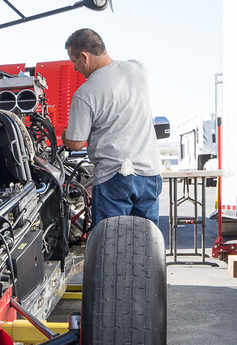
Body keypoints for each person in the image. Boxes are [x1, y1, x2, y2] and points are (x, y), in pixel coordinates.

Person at [61, 28, 163, 227]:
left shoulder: (85, 93)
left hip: (114, 177)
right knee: (148, 242)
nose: (75, 68)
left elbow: (76, 143)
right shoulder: (138, 69)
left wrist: (65, 136)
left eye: (74, 61)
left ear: (85, 57)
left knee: (111, 245)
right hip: (150, 174)